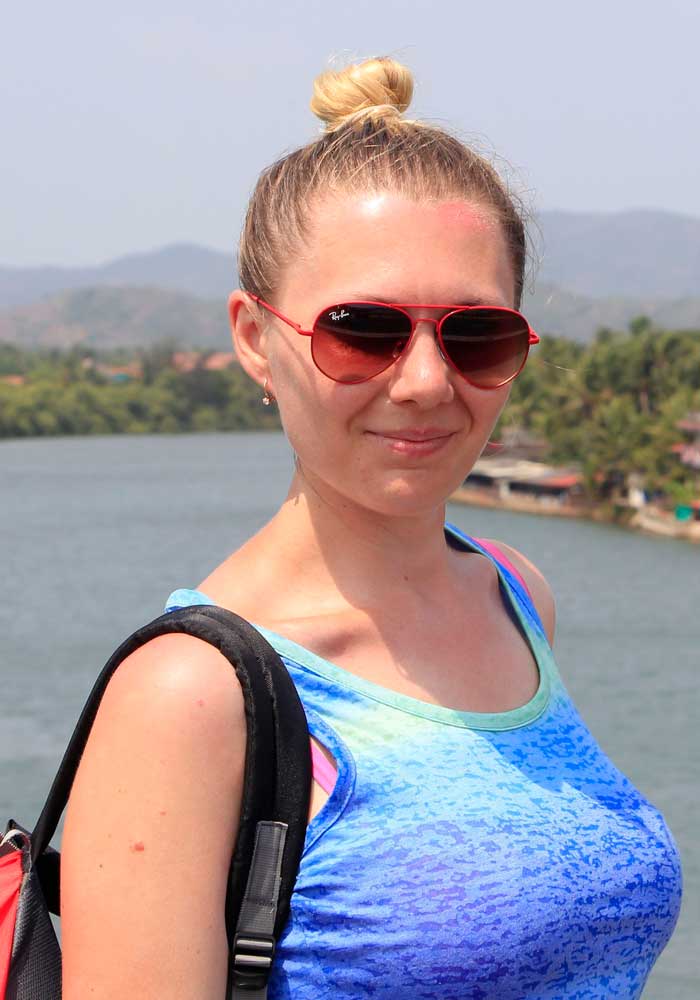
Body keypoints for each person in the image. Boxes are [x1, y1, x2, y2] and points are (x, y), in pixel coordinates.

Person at [60, 57, 682, 999]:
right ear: (253, 337)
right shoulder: (190, 696)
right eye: (362, 330)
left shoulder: (514, 595)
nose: (427, 381)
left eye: (475, 335)